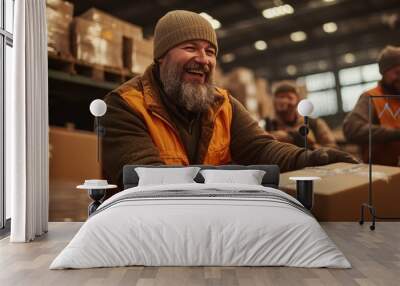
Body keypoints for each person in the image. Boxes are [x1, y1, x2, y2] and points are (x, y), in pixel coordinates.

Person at [101, 10, 357, 189]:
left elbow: (262, 149)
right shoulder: (125, 105)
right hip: (142, 229)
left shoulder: (223, 104)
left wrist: (315, 158)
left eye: (210, 51)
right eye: (190, 48)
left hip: (208, 219)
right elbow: (148, 181)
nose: (203, 59)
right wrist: (241, 177)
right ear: (161, 57)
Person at [343, 45, 400, 166]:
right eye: (397, 72)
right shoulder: (371, 98)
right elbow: (352, 129)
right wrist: (395, 133)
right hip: (384, 175)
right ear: (384, 72)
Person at [265, 81, 337, 149]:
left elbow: (332, 148)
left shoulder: (314, 123)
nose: (285, 101)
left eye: (289, 98)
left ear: (298, 101)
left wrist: (310, 146)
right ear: (274, 102)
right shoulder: (267, 126)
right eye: (281, 97)